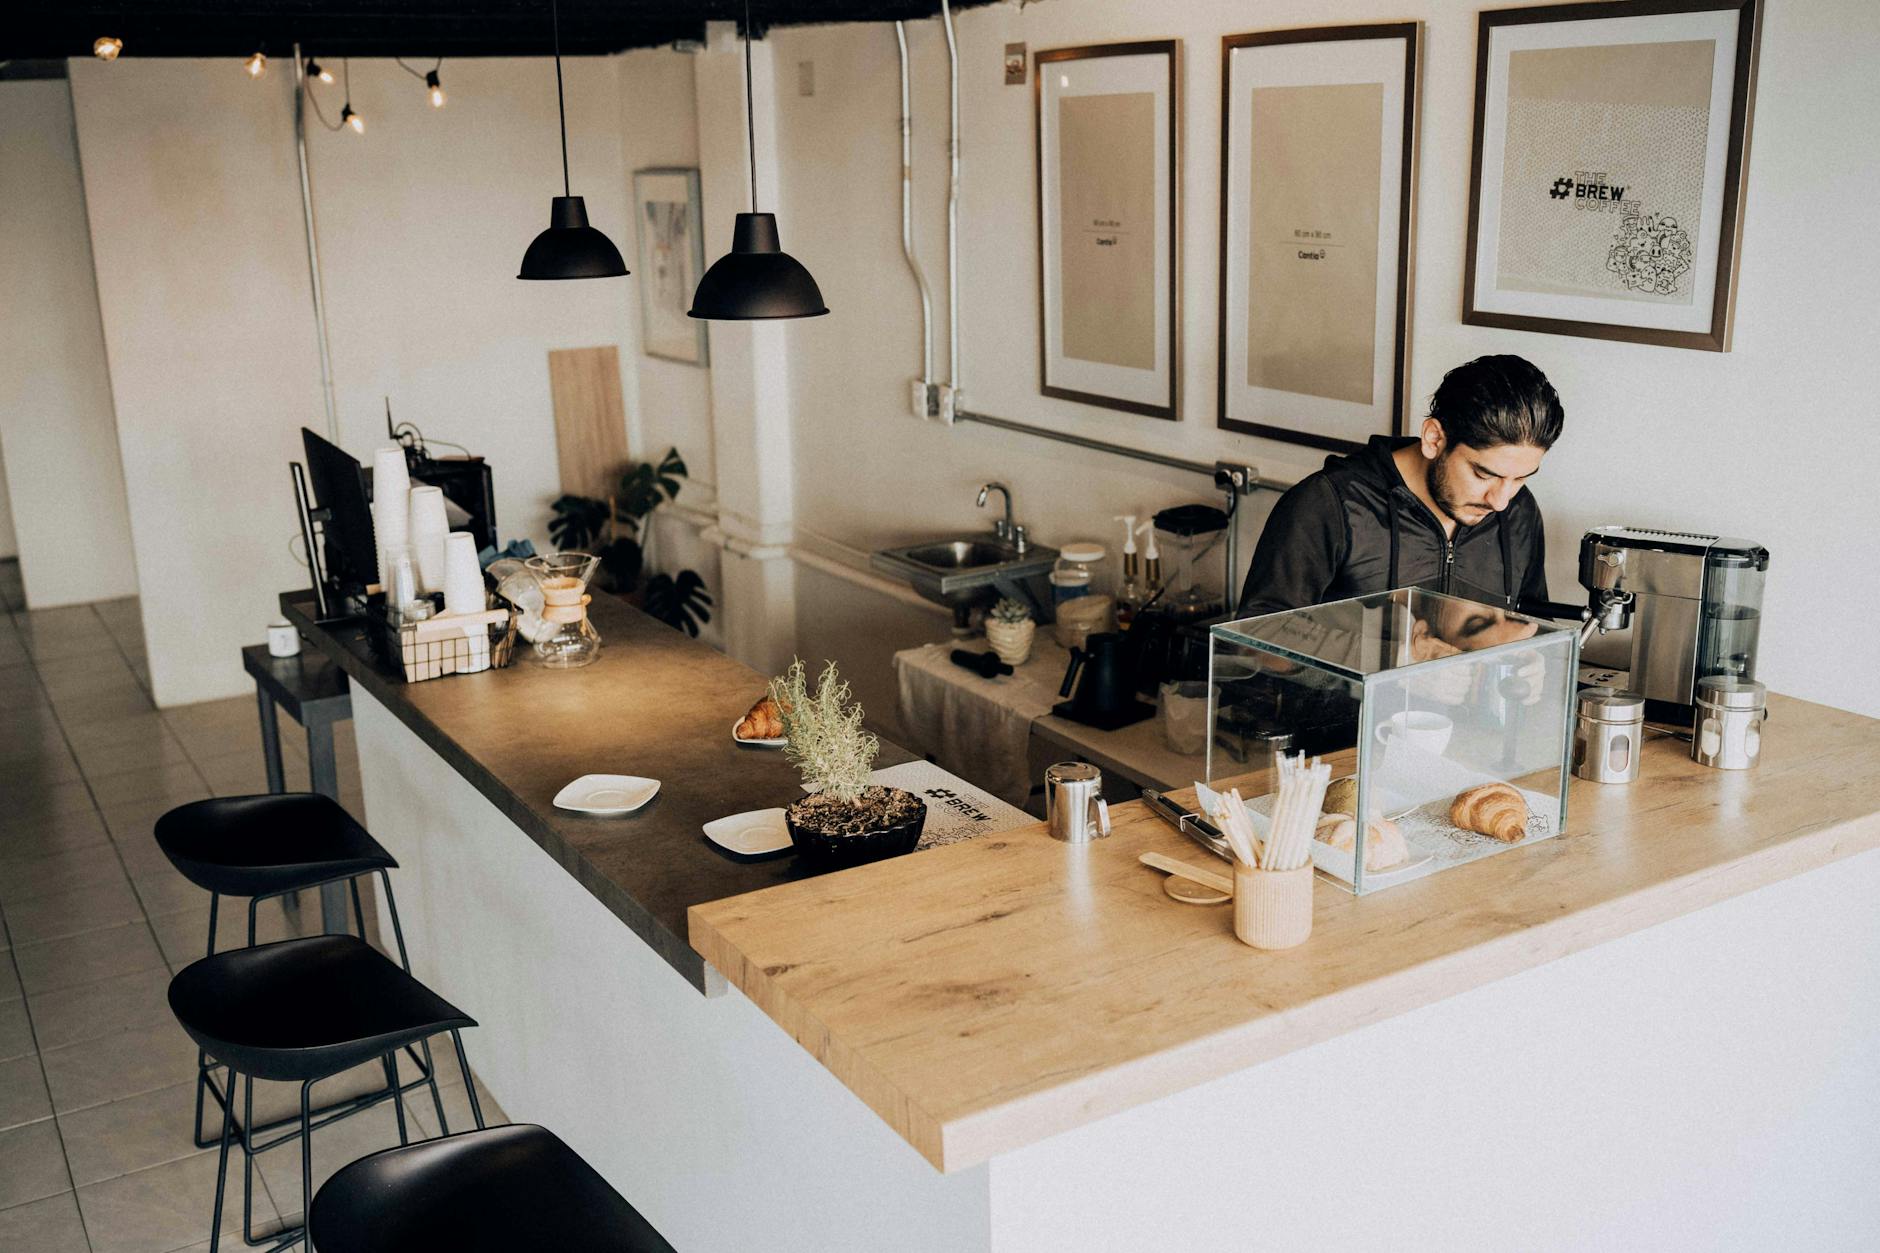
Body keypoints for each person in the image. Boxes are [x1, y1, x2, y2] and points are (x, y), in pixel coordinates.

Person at [1236, 354, 1563, 617]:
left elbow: (1532, 619)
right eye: (1484, 474)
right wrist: (1387, 651)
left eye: (1520, 479)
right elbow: (1257, 636)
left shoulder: (1519, 510)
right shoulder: (1329, 503)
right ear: (1434, 439)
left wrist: (1530, 665)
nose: (1501, 501)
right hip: (1348, 701)